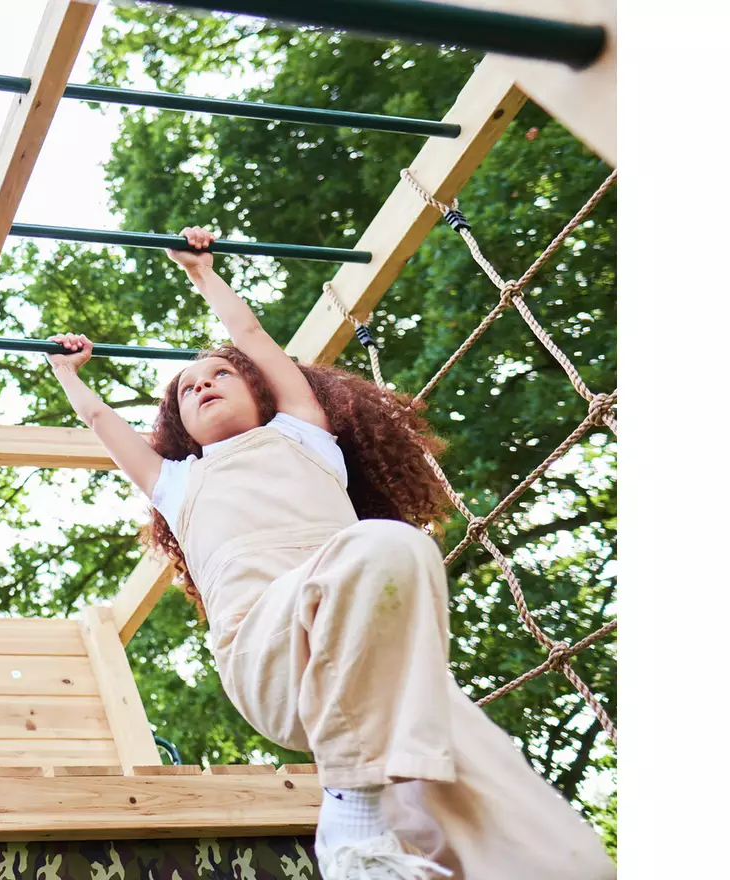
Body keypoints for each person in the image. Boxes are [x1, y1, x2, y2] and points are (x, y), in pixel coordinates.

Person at [42, 226, 615, 879]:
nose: (200, 385)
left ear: (264, 392)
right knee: (388, 548)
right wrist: (68, 373)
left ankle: (388, 852)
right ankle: (350, 813)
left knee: (562, 857)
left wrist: (203, 273)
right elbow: (98, 423)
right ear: (177, 425)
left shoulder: (302, 434)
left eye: (219, 374)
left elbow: (255, 339)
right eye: (186, 390)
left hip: (378, 670)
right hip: (273, 651)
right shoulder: (178, 483)